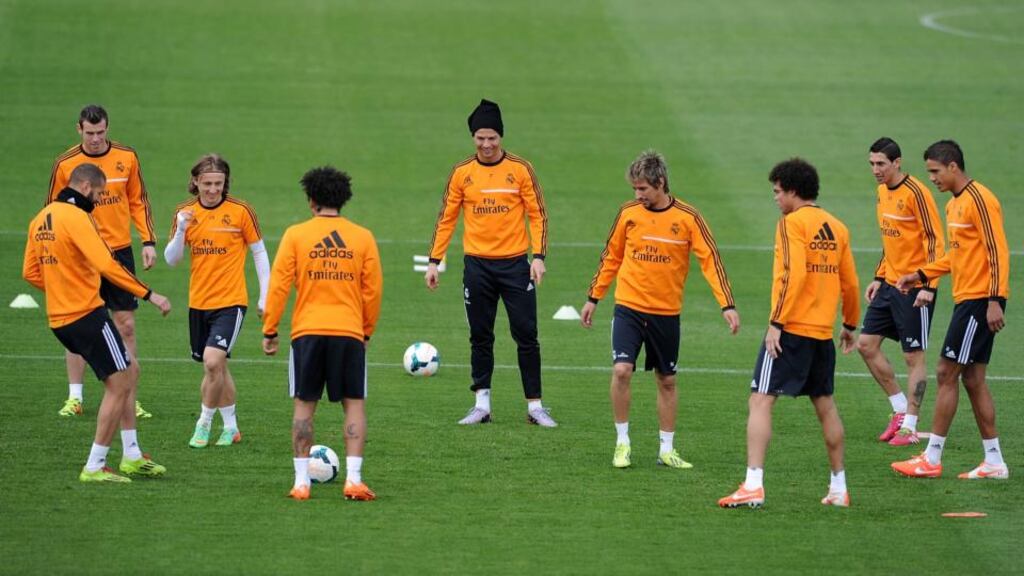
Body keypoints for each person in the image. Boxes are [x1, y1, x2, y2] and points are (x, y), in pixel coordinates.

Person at [581, 150, 739, 469]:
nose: (637, 195)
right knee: (622, 370)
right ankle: (622, 443)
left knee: (666, 380)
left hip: (666, 313)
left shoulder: (688, 218)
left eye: (643, 189)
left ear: (661, 183)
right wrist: (593, 297)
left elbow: (711, 262)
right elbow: (610, 257)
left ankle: (666, 449)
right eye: (634, 189)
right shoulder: (628, 214)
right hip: (629, 307)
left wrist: (727, 304)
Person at [719, 158, 860, 509]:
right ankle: (839, 488)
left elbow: (794, 275)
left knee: (760, 399)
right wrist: (850, 325)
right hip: (822, 333)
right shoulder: (837, 227)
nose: (775, 199)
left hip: (791, 329)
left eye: (778, 192)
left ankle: (753, 484)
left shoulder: (791, 225)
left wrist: (776, 323)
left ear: (794, 191)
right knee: (825, 405)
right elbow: (851, 283)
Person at [24, 163, 171, 482]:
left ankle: (132, 454)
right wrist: (149, 294)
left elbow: (30, 272)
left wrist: (62, 288)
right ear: (87, 188)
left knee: (130, 370)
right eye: (100, 193)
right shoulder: (77, 218)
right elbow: (106, 263)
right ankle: (95, 464)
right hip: (86, 314)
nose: (100, 199)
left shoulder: (40, 218)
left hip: (60, 319)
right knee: (119, 384)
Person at [425, 98, 555, 427]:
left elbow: (538, 215)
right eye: (480, 138)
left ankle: (535, 406)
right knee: (480, 336)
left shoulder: (520, 170)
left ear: (501, 137)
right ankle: (481, 404)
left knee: (527, 335)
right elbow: (446, 219)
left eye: (492, 138)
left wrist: (538, 257)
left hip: (515, 266)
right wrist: (433, 261)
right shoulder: (461, 174)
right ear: (473, 137)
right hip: (477, 267)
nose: (486, 144)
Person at [262, 166, 382, 501]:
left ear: (311, 199)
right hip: (348, 332)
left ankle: (301, 484)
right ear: (343, 199)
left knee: (304, 406)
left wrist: (270, 328)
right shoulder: (362, 237)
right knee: (353, 404)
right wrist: (366, 332)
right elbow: (372, 291)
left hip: (308, 333)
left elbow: (279, 285)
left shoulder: (296, 235)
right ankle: (354, 480)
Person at [891, 140, 1010, 480]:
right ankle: (994, 461)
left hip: (979, 300)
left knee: (945, 372)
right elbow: (957, 256)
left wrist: (994, 300)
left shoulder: (980, 200)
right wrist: (921, 274)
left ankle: (931, 458)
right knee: (973, 379)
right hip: (967, 298)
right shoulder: (954, 205)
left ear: (953, 166)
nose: (932, 178)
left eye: (935, 171)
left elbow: (997, 251)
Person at [48, 105, 157, 420]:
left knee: (126, 324)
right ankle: (75, 397)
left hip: (118, 251)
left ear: (107, 129)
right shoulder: (66, 164)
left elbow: (138, 201)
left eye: (101, 132)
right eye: (90, 133)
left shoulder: (127, 158)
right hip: (79, 254)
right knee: (77, 322)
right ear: (78, 129)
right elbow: (52, 210)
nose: (96, 139)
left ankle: (129, 396)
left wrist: (147, 241)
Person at [164, 154, 270, 448]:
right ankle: (232, 428)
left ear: (226, 183)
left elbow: (259, 252)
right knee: (218, 368)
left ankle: (204, 423)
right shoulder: (183, 213)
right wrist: (183, 229)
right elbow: (172, 260)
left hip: (231, 302)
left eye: (219, 184)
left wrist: (265, 295)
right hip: (198, 303)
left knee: (212, 363)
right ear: (195, 181)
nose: (213, 189)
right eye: (207, 183)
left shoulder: (240, 212)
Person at [857, 138, 945, 446]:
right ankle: (898, 410)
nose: (875, 170)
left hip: (915, 288)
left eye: (881, 164)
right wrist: (879, 277)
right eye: (872, 164)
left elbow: (934, 241)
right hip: (890, 284)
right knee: (866, 345)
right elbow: (890, 240)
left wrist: (929, 286)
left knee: (913, 355)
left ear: (897, 163)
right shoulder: (882, 192)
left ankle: (910, 425)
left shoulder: (917, 193)